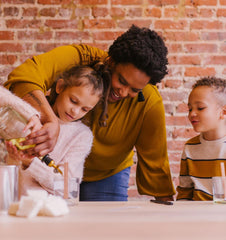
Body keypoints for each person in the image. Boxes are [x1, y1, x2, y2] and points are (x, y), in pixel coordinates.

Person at [4, 25, 175, 201]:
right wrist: (50, 120)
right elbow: (24, 77)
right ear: (110, 61)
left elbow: (156, 162)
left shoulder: (149, 101)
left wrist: (168, 212)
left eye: (134, 89)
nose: (124, 92)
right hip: (50, 170)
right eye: (121, 81)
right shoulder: (79, 58)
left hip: (107, 175)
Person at [5, 65, 108, 196]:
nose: (75, 111)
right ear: (60, 87)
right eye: (73, 101)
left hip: (49, 210)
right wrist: (15, 159)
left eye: (85, 109)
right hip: (13, 205)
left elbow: (68, 189)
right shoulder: (31, 115)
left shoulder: (81, 136)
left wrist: (31, 163)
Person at [176, 77, 226, 201]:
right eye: (190, 109)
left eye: (200, 108)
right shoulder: (190, 147)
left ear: (223, 112)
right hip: (196, 216)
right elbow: (184, 193)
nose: (192, 114)